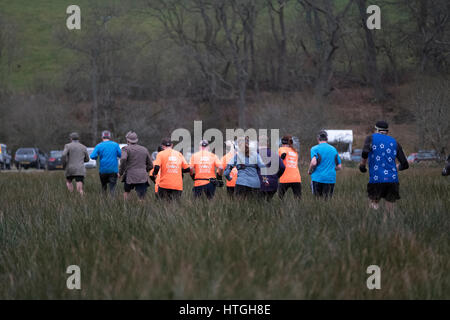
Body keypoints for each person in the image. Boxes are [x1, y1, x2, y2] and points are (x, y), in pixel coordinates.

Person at [359, 121, 409, 213]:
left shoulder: (370, 138)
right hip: (392, 179)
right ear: (387, 131)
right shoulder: (395, 142)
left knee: (374, 207)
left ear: (376, 130)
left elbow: (365, 152)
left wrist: (362, 166)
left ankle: (374, 225)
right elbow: (405, 164)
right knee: (390, 211)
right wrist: (395, 168)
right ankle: (390, 224)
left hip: (376, 178)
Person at [119, 131, 153, 201]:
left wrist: (121, 172)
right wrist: (144, 170)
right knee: (141, 198)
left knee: (126, 192)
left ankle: (126, 207)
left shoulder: (125, 149)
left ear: (127, 140)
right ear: (136, 140)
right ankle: (142, 211)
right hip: (142, 176)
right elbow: (151, 165)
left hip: (130, 176)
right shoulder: (144, 149)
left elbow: (123, 158)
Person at [308, 130, 342, 199]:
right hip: (330, 179)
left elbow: (313, 162)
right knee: (327, 202)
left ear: (318, 138)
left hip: (317, 178)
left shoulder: (314, 149)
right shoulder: (333, 149)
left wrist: (309, 170)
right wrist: (332, 168)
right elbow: (339, 166)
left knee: (317, 201)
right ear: (327, 138)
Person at [89, 130, 122, 195]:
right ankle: (113, 203)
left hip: (103, 170)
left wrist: (97, 157)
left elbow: (92, 156)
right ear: (109, 137)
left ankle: (104, 202)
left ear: (102, 137)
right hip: (113, 170)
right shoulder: (115, 145)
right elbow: (121, 155)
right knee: (112, 188)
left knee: (103, 187)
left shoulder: (99, 146)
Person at [258, 135, 285, 201]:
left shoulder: (255, 153)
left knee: (258, 205)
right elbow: (282, 167)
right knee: (268, 203)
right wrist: (276, 176)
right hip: (272, 184)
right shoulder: (274, 153)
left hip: (259, 184)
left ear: (259, 143)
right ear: (267, 143)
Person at [278, 135, 302, 199]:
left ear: (282, 142)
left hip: (285, 178)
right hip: (296, 178)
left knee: (280, 198)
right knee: (298, 199)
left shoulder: (281, 149)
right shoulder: (294, 151)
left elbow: (283, 154)